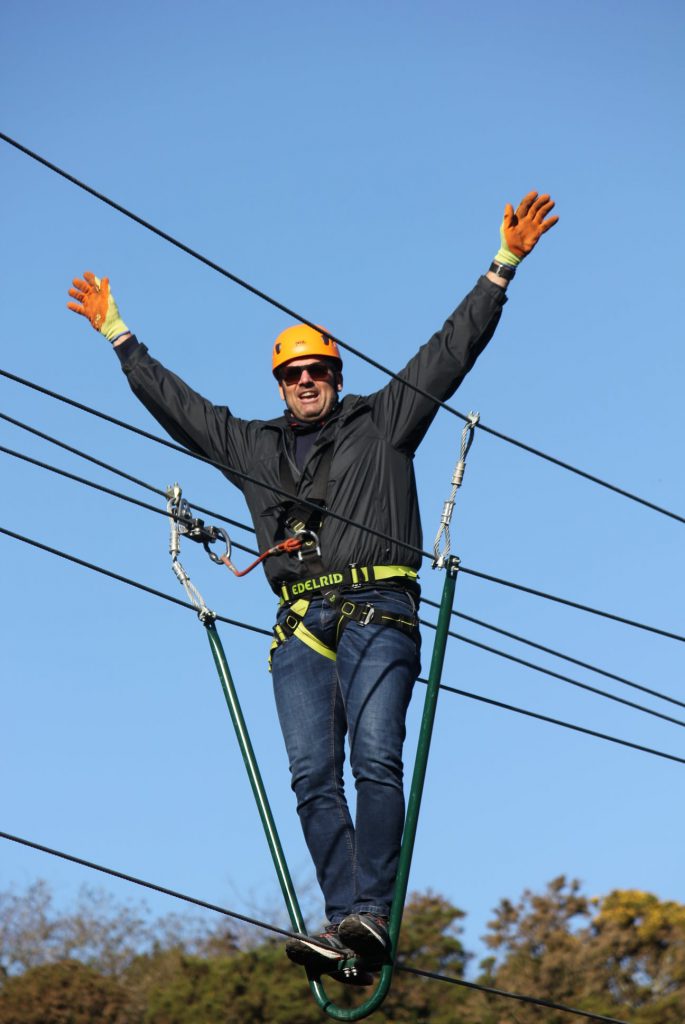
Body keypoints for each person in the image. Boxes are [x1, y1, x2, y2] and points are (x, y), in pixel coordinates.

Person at [67, 191, 558, 982]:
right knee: (308, 777)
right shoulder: (252, 449)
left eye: (317, 370)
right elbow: (180, 409)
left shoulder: (385, 421)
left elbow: (449, 349)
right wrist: (120, 337)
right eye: (292, 373)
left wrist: (502, 267)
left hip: (380, 612)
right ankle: (342, 923)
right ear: (279, 382)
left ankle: (370, 908)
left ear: (335, 374)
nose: (305, 381)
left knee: (374, 757)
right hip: (300, 626)